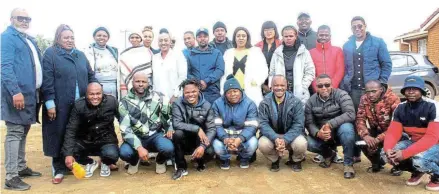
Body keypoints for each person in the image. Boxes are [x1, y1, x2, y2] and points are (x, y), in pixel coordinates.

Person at [41, 24, 97, 184]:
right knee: (59, 133)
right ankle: (59, 168)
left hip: (80, 104)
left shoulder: (80, 55)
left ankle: (74, 162)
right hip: (59, 103)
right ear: (58, 38)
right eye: (66, 37)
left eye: (72, 37)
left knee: (78, 133)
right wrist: (50, 102)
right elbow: (47, 79)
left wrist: (95, 91)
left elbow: (91, 75)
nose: (69, 40)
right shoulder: (50, 54)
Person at [1, 8, 42, 191]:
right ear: (11, 19)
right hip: (17, 95)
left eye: (28, 18)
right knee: (15, 132)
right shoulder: (7, 38)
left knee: (23, 130)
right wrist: (15, 92)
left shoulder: (26, 38)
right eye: (21, 18)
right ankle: (11, 176)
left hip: (30, 95)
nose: (25, 21)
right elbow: (5, 67)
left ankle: (20, 166)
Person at [383, 76, 439, 191]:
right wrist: (388, 149)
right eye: (408, 89)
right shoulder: (400, 108)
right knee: (385, 155)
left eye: (415, 89)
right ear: (404, 91)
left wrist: (404, 154)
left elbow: (432, 138)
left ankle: (437, 176)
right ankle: (417, 171)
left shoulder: (433, 106)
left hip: (436, 143)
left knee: (419, 160)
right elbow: (393, 133)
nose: (411, 92)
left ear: (422, 91)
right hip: (415, 141)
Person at [118, 72, 174, 175]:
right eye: (137, 81)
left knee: (168, 148)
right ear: (132, 82)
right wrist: (139, 147)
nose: (140, 84)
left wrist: (170, 127)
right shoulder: (124, 102)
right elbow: (125, 129)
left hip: (155, 135)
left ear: (148, 83)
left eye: (143, 82)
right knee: (124, 153)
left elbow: (169, 117)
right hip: (136, 136)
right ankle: (134, 161)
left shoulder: (159, 97)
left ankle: (160, 161)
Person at [62, 83, 119, 179]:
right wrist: (68, 154)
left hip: (106, 140)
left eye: (98, 93)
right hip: (85, 140)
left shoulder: (112, 102)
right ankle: (91, 162)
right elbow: (71, 130)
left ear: (103, 93)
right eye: (91, 94)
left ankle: (105, 162)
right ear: (86, 94)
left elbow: (123, 121)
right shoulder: (79, 105)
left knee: (112, 155)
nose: (95, 97)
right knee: (68, 151)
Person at [305, 74, 356, 179]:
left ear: (332, 85)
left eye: (327, 85)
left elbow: (350, 114)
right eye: (320, 86)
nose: (324, 88)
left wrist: (330, 124)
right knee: (307, 142)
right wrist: (318, 133)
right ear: (316, 87)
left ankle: (348, 164)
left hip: (340, 132)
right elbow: (309, 123)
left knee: (347, 129)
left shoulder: (342, 95)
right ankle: (329, 154)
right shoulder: (311, 101)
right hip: (324, 135)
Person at [340, 16, 392, 111]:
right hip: (353, 90)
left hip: (372, 90)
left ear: (365, 26)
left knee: (375, 117)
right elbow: (345, 67)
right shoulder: (346, 45)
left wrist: (381, 82)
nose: (357, 29)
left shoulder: (378, 42)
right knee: (356, 118)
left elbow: (386, 64)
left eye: (360, 26)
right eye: (354, 27)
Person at [258, 75, 307, 172]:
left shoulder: (296, 102)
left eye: (282, 85)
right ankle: (275, 160)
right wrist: (275, 138)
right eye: (276, 85)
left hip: (291, 136)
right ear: (271, 87)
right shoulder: (264, 103)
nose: (279, 88)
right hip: (273, 136)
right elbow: (263, 124)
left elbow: (298, 124)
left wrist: (285, 139)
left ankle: (296, 160)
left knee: (301, 143)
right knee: (262, 144)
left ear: (287, 87)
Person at [171, 79, 216, 180]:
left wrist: (203, 146)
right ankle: (181, 167)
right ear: (183, 92)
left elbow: (211, 128)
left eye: (193, 91)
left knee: (210, 151)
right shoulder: (177, 104)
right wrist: (197, 128)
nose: (191, 94)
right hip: (184, 138)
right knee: (177, 134)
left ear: (199, 90)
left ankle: (199, 161)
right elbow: (176, 123)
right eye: (187, 92)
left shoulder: (207, 105)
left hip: (199, 139)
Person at [212, 75, 258, 169]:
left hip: (242, 137)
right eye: (229, 92)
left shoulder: (249, 104)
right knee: (215, 144)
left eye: (235, 91)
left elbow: (252, 127)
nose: (233, 94)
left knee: (253, 142)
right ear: (225, 94)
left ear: (240, 91)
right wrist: (225, 139)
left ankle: (243, 158)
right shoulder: (217, 104)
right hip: (224, 137)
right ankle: (224, 159)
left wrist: (239, 139)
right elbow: (216, 125)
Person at [356, 80, 401, 174]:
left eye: (374, 91)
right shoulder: (364, 98)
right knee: (360, 140)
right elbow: (360, 119)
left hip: (392, 132)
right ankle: (377, 163)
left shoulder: (393, 99)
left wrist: (378, 139)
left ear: (381, 89)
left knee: (399, 143)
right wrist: (365, 135)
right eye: (368, 91)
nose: (370, 95)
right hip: (375, 130)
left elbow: (397, 126)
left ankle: (399, 166)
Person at [269, 25, 315, 105]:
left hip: (299, 93)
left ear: (296, 36)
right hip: (280, 91)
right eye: (286, 36)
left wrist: (302, 87)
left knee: (298, 115)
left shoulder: (304, 52)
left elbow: (310, 71)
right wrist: (273, 86)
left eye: (291, 36)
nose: (288, 38)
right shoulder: (277, 53)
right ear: (282, 37)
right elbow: (272, 72)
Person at [222, 26, 268, 106]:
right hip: (232, 91)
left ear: (247, 38)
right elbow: (223, 73)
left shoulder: (255, 52)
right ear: (234, 38)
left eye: (243, 36)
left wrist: (256, 81)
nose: (241, 38)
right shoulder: (228, 53)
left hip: (250, 90)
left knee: (251, 115)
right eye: (238, 36)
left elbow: (264, 70)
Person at [187, 27, 225, 104]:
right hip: (195, 92)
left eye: (205, 36)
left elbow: (220, 70)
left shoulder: (216, 53)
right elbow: (187, 72)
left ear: (208, 38)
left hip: (213, 92)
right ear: (196, 39)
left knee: (213, 115)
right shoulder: (190, 54)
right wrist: (196, 82)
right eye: (200, 37)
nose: (202, 39)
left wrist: (206, 81)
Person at [84, 27, 119, 98]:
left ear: (108, 38)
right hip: (97, 88)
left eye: (104, 36)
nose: (101, 38)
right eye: (99, 35)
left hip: (115, 87)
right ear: (94, 37)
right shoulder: (87, 52)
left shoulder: (114, 52)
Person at [152, 32, 187, 104]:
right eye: (160, 40)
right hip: (157, 99)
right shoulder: (154, 58)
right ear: (158, 43)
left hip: (173, 98)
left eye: (166, 40)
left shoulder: (178, 56)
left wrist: (176, 95)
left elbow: (182, 77)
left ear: (170, 42)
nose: (163, 43)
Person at [119, 28, 154, 98]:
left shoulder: (148, 52)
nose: (134, 39)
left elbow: (151, 71)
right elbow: (122, 74)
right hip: (130, 85)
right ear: (129, 39)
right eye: (132, 37)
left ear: (141, 39)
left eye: (137, 37)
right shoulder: (123, 54)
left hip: (146, 86)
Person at [309, 25, 344, 91]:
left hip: (334, 89)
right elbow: (311, 72)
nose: (324, 37)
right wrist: (317, 87)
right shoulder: (310, 52)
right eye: (321, 35)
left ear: (330, 36)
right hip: (317, 90)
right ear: (317, 35)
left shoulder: (337, 50)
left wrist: (331, 87)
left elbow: (340, 71)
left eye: (326, 35)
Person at [255, 21, 282, 94]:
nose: (268, 32)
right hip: (261, 79)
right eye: (265, 30)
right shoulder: (257, 46)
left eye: (270, 29)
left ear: (275, 31)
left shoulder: (281, 45)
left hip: (277, 78)